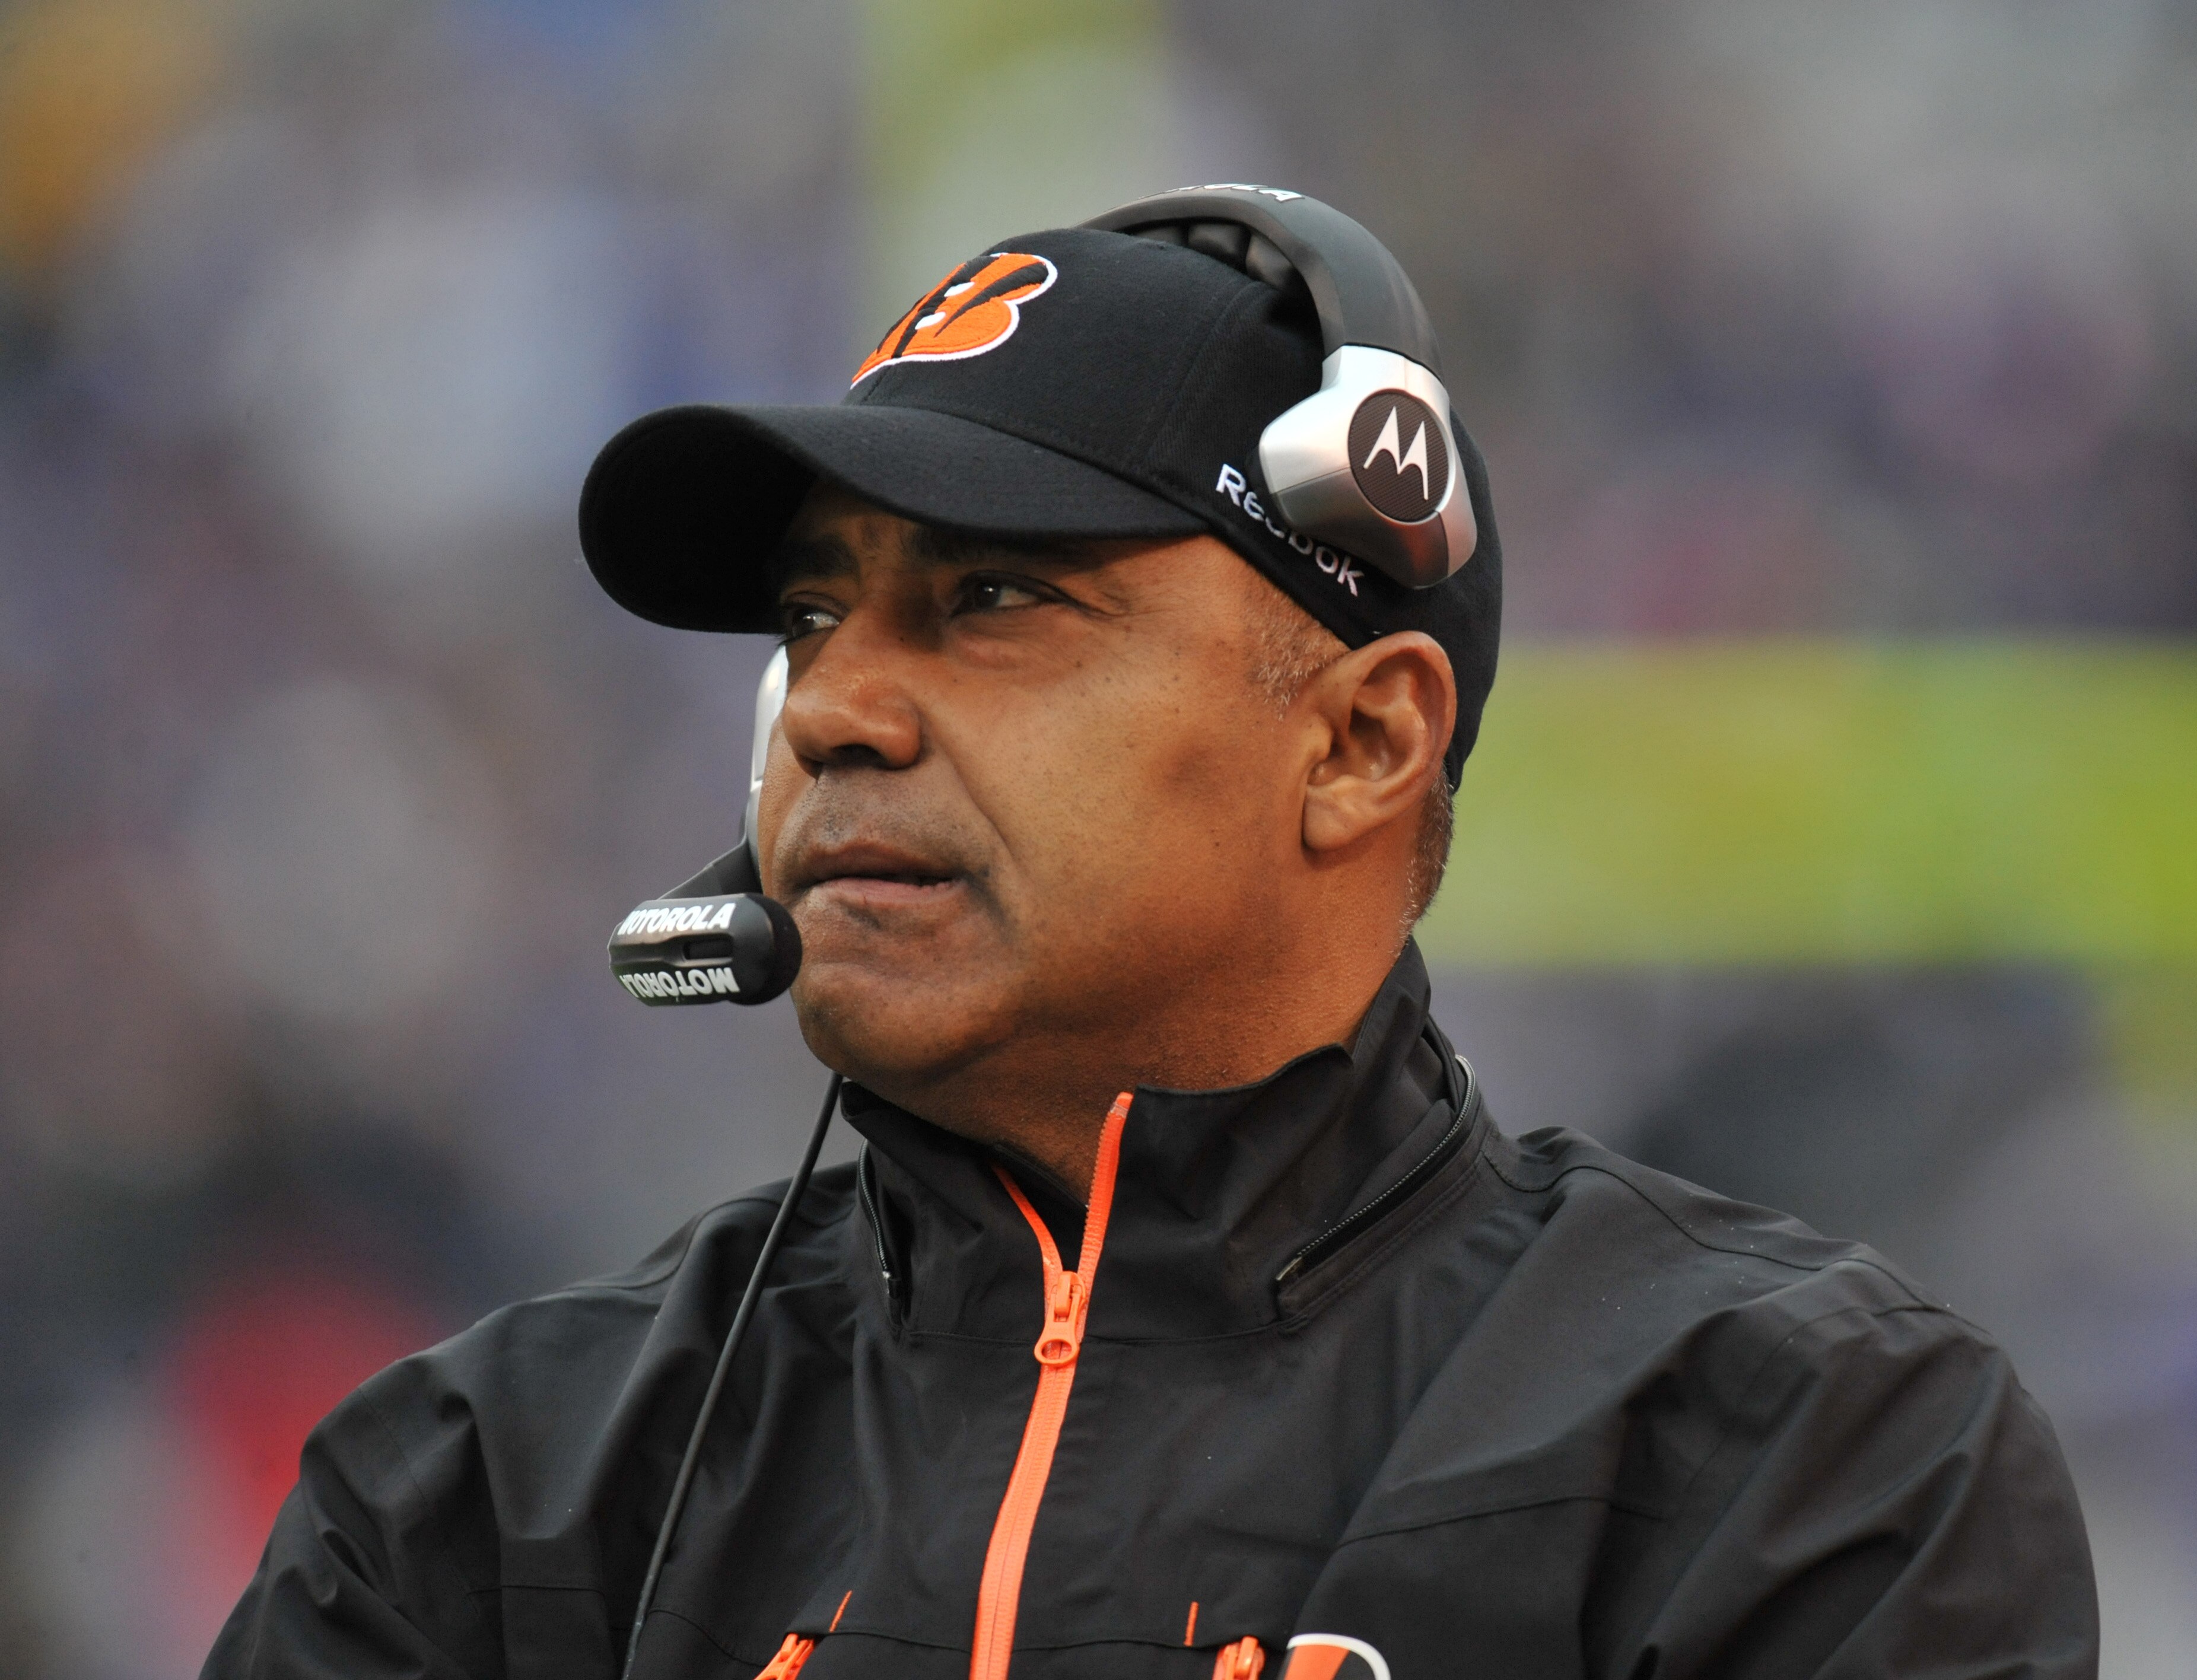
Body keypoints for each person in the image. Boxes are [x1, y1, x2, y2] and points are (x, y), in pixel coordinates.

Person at [206, 190, 2099, 1680]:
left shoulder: (1792, 1454)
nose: (829, 712)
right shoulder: (480, 1487)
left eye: (996, 597)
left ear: (1361, 742)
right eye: (809, 621)